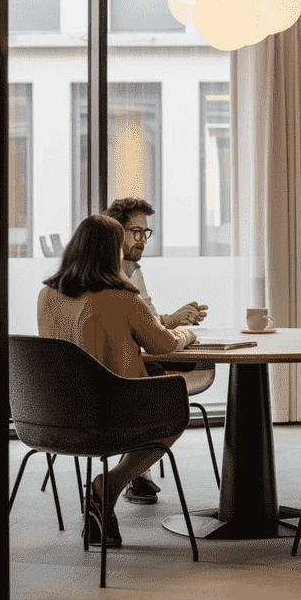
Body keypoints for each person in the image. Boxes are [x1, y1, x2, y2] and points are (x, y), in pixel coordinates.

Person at [37, 214, 197, 547]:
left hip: (55, 417)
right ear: (114, 253)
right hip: (111, 416)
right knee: (175, 415)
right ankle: (109, 485)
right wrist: (185, 332)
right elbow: (164, 344)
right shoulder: (124, 297)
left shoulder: (47, 295)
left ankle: (104, 501)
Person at [104, 197, 209, 504]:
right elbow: (158, 339)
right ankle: (129, 474)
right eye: (134, 232)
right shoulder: (119, 288)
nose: (142, 240)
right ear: (115, 233)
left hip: (64, 404)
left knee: (155, 379)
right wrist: (183, 331)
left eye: (145, 233)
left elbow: (144, 322)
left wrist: (170, 319)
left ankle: (137, 473)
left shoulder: (51, 293)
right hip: (116, 385)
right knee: (170, 403)